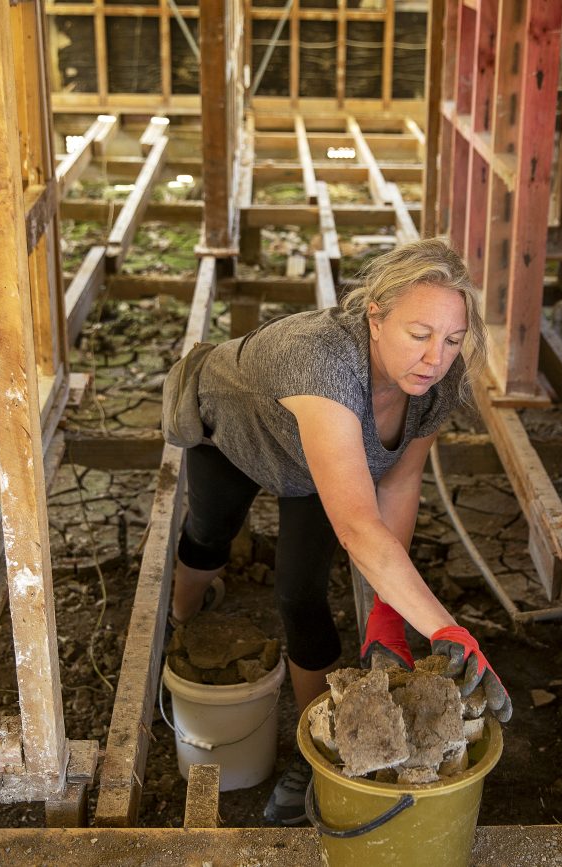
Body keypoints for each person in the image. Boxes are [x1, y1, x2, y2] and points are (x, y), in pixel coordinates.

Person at [164, 237, 512, 825]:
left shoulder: (435, 384)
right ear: (375, 317)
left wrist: (386, 613)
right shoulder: (318, 359)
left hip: (319, 466)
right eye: (419, 333)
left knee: (300, 593)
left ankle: (315, 744)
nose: (436, 356)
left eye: (452, 340)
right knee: (209, 537)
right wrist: (447, 628)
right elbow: (357, 525)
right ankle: (181, 623)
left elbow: (397, 487)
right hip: (238, 435)